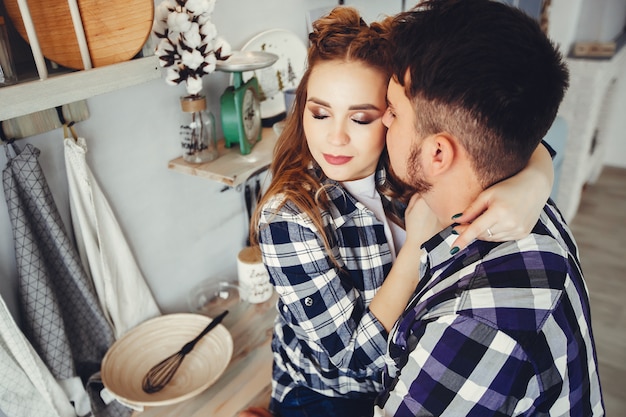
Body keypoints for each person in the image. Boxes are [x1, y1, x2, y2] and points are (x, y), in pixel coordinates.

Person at [242, 6, 556, 417]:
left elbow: (500, 138)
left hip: (407, 371)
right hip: (329, 396)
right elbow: (352, 358)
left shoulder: (407, 165)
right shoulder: (289, 218)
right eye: (320, 113)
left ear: (393, 116)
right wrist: (415, 248)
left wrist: (534, 182)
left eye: (361, 117)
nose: (335, 137)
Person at [376, 0, 604, 415]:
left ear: (438, 154)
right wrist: (539, 173)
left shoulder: (473, 325)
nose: (383, 123)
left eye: (393, 112)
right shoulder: (523, 199)